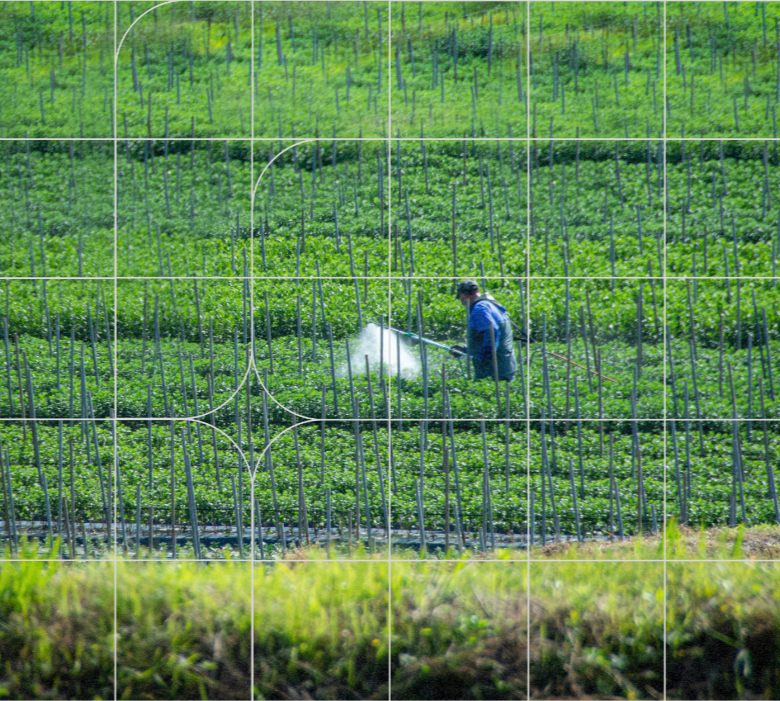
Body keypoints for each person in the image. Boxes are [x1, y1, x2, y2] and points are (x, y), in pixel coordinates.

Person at [450, 280, 518, 382]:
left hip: (494, 371)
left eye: (460, 297)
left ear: (464, 295)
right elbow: (487, 338)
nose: (461, 301)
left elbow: (492, 333)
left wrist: (482, 358)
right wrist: (466, 350)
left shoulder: (479, 309)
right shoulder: (488, 305)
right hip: (504, 366)